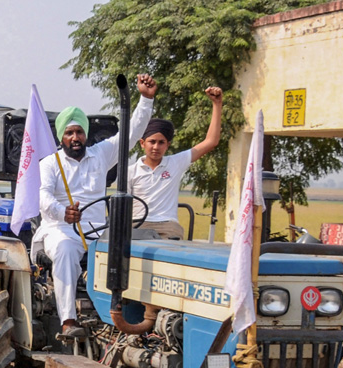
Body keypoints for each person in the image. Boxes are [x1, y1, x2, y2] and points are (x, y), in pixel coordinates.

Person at [34, 73, 157, 339]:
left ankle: (133, 322)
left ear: (86, 134)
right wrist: (62, 212)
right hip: (61, 230)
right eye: (69, 132)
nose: (75, 137)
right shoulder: (49, 164)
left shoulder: (101, 153)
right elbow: (43, 198)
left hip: (98, 232)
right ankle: (68, 320)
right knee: (67, 250)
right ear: (61, 137)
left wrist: (145, 99)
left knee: (134, 249)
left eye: (79, 131)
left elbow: (131, 131)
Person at [128, 87, 224, 240]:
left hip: (168, 227)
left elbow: (211, 141)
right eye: (152, 142)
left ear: (168, 145)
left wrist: (217, 104)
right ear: (142, 143)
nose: (156, 147)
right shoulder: (131, 172)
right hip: (138, 225)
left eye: (161, 142)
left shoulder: (175, 163)